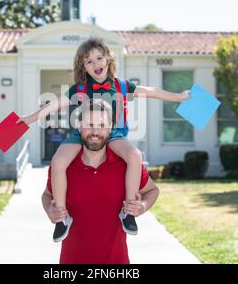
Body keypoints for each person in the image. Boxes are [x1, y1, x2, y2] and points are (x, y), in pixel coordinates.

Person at [19, 37, 190, 242]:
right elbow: (52, 106)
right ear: (83, 67)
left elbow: (151, 92)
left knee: (134, 155)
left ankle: (128, 211)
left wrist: (178, 97)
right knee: (57, 161)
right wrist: (28, 119)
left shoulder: (121, 86)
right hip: (81, 133)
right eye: (89, 61)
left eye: (99, 58)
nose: (96, 64)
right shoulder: (79, 89)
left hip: (114, 133)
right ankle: (62, 218)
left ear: (108, 59)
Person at [41, 99, 160, 264]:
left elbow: (152, 191)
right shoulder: (65, 166)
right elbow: (47, 195)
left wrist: (141, 207)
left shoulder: (125, 165)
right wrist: (50, 210)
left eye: (102, 125)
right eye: (89, 124)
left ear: (111, 128)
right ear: (79, 126)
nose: (95, 131)